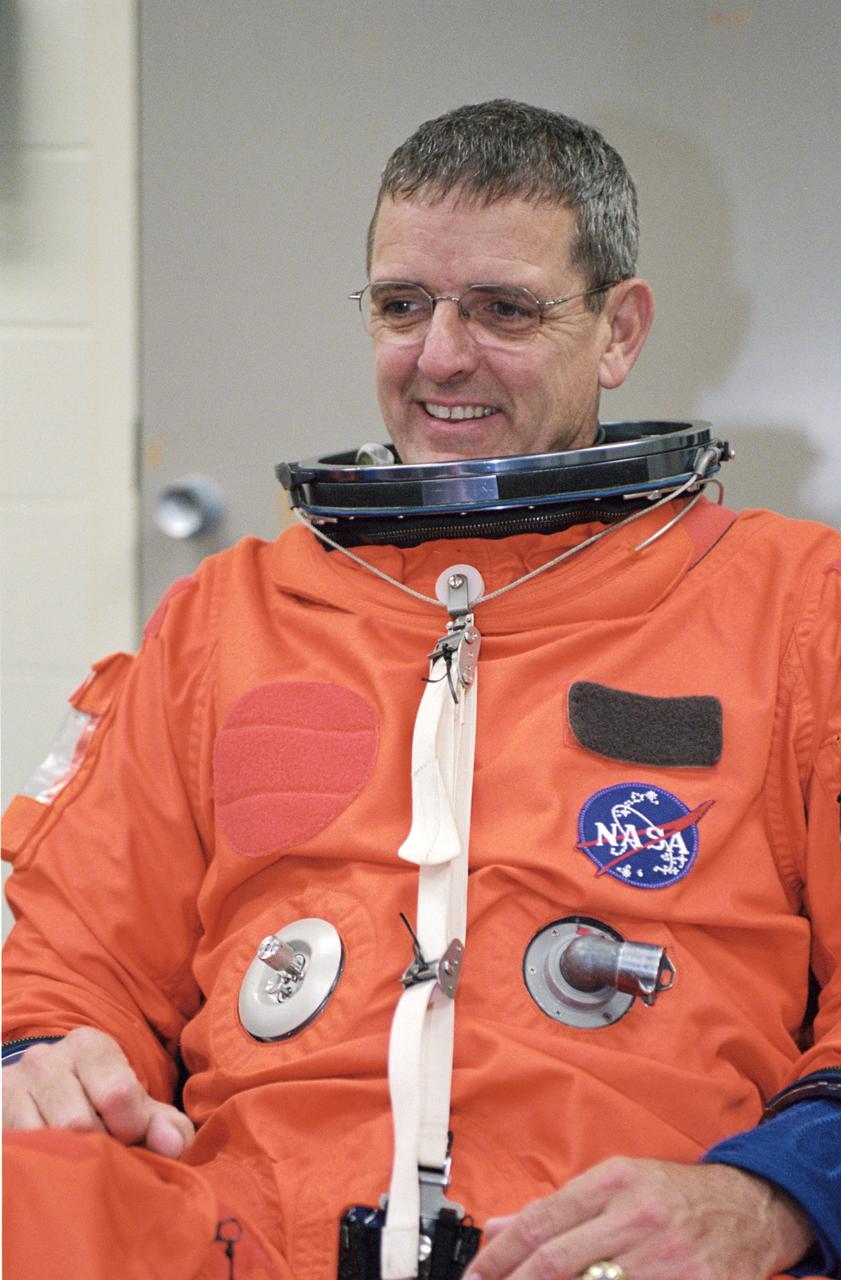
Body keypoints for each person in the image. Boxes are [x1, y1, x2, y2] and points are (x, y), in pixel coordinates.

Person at [3, 100, 840, 1280]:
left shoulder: (794, 606)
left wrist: (768, 1192)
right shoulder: (226, 617)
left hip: (616, 1242)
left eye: (502, 308)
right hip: (245, 1237)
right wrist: (39, 1053)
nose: (440, 355)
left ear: (619, 330)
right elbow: (72, 957)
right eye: (403, 306)